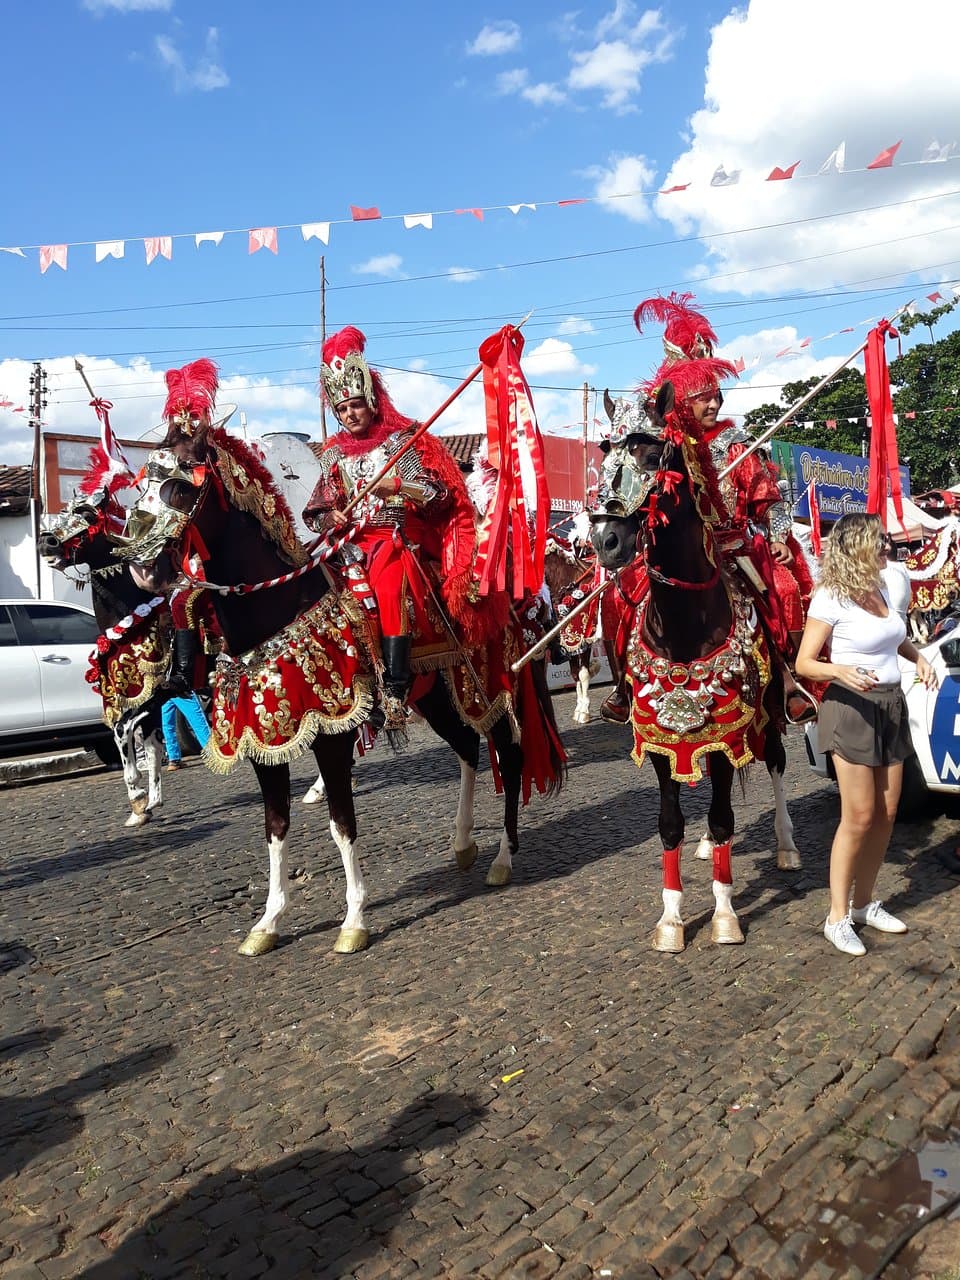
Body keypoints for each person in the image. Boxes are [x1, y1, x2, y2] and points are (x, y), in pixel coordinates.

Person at [634, 293, 816, 724]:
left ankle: (790, 676)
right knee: (623, 597)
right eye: (702, 397)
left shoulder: (737, 446)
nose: (714, 404)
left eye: (716, 396)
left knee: (784, 590)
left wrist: (777, 537)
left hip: (733, 548)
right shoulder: (668, 447)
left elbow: (769, 499)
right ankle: (626, 685)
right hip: (677, 548)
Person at [303, 326, 482, 731]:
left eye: (355, 405)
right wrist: (331, 517)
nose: (350, 414)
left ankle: (396, 689)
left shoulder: (401, 443)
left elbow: (439, 496)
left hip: (393, 540)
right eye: (342, 409)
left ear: (371, 401)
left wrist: (397, 485)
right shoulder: (333, 454)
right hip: (348, 546)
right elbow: (314, 511)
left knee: (387, 583)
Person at [795, 512, 937, 956]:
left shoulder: (882, 586)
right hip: (851, 710)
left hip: (891, 705)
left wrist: (918, 657)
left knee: (887, 812)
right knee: (858, 816)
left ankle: (863, 904)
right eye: (879, 541)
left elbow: (893, 637)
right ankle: (836, 917)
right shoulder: (831, 597)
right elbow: (804, 662)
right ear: (855, 546)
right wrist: (839, 670)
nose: (886, 548)